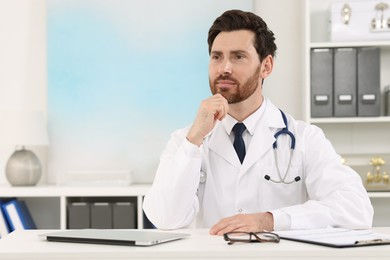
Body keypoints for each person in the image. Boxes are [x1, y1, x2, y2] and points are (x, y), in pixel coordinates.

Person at [143, 9, 373, 235]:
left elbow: (356, 209)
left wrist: (271, 220)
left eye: (238, 56)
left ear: (266, 66)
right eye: (217, 57)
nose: (224, 68)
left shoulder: (305, 138)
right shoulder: (185, 140)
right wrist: (193, 141)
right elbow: (165, 219)